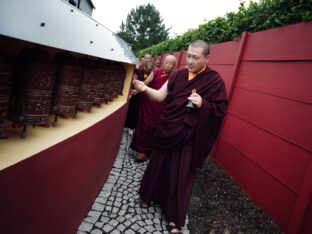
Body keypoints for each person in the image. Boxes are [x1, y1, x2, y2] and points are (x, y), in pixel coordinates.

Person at [132, 40, 228, 233]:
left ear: (207, 58)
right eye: (189, 56)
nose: (190, 61)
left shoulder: (215, 81)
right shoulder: (178, 74)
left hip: (188, 136)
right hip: (168, 128)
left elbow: (220, 110)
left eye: (196, 57)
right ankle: (150, 195)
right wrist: (143, 88)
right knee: (159, 164)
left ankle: (174, 217)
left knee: (181, 173)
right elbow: (160, 96)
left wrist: (204, 105)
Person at [131, 55, 177, 162]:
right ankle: (139, 148)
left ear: (175, 66)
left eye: (170, 63)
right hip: (148, 103)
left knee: (152, 128)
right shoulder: (155, 72)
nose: (167, 65)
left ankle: (146, 151)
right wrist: (136, 90)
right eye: (166, 62)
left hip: (160, 106)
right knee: (142, 125)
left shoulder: (174, 77)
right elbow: (146, 83)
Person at [124, 60, 154, 130]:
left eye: (150, 70)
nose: (148, 71)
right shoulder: (138, 72)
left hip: (143, 98)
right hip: (135, 97)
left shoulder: (151, 75)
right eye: (147, 69)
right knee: (131, 112)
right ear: (144, 67)